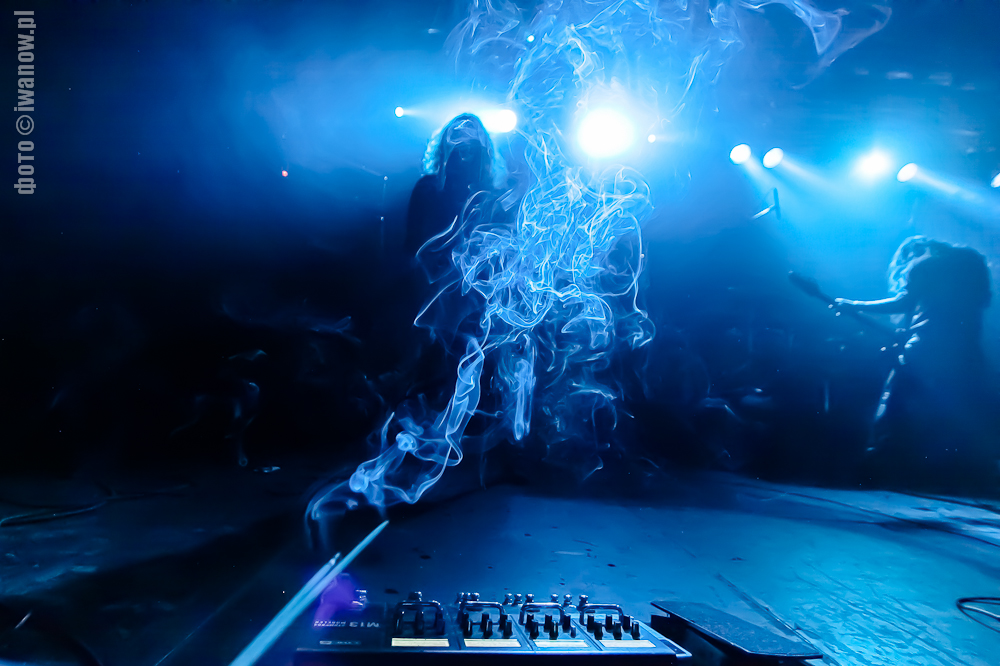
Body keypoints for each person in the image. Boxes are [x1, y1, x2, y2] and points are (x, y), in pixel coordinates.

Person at [834, 236, 998, 489]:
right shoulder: (971, 264)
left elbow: (904, 302)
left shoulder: (925, 264)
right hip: (966, 350)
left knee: (894, 403)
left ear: (913, 252)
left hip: (926, 347)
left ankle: (875, 466)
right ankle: (966, 472)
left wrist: (854, 305)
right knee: (960, 410)